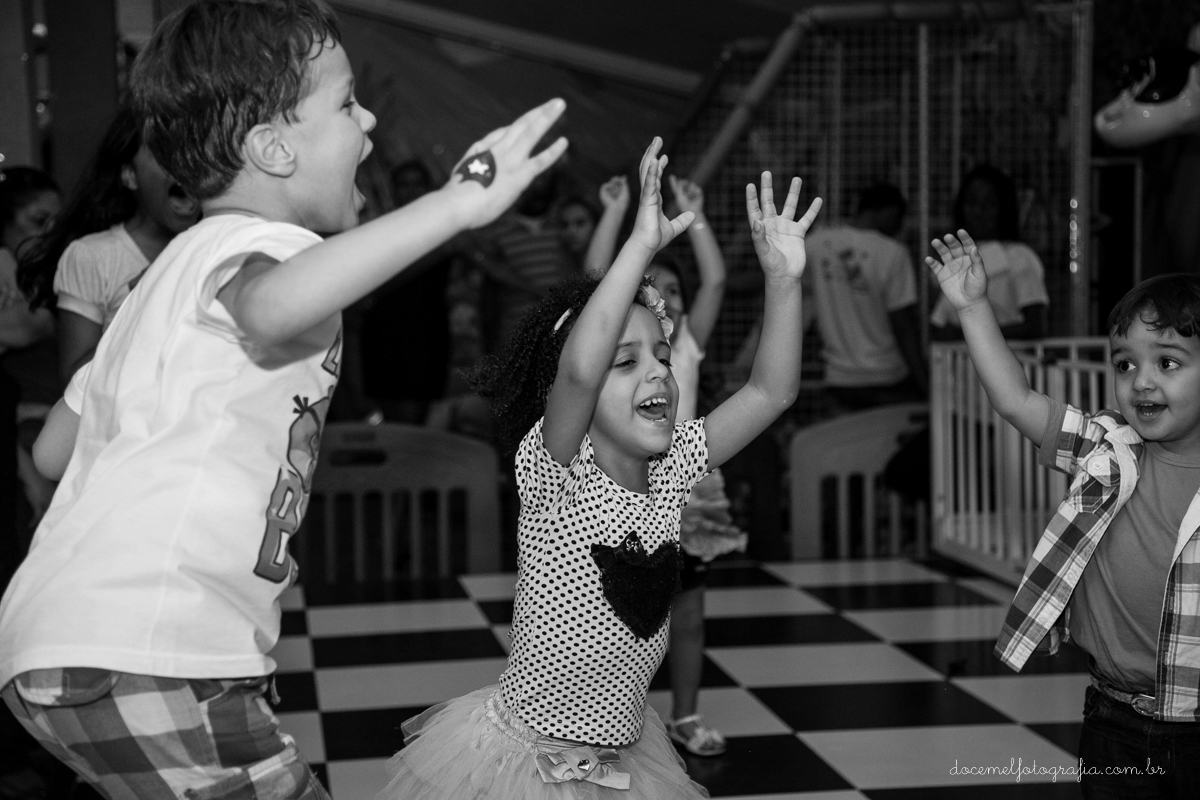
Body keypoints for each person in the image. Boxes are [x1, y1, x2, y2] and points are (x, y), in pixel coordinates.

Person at [0, 0, 568, 797]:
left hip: (58, 643)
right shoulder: (258, 245)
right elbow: (271, 307)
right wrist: (458, 204)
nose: (368, 119)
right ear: (272, 148)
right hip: (158, 649)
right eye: (345, 103)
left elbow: (53, 451)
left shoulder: (162, 282)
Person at [380, 138, 821, 799]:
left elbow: (770, 393)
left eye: (663, 358)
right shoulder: (556, 474)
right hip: (522, 761)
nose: (658, 374)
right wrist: (638, 246)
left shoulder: (674, 469)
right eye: (626, 361)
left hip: (621, 756)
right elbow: (580, 368)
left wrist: (784, 281)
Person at [929, 231, 1200, 799]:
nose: (1141, 381)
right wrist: (974, 307)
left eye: (1168, 362)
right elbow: (1015, 400)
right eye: (1125, 364)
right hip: (1114, 715)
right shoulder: (1108, 448)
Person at [588, 171, 744, 757]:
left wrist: (695, 215)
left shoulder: (688, 345)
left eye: (677, 291)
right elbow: (596, 283)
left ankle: (686, 713)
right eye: (658, 288)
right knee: (610, 610)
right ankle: (602, 713)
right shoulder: (622, 345)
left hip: (688, 488)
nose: (669, 299)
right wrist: (616, 214)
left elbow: (719, 278)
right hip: (625, 483)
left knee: (690, 609)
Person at [18, 104, 200, 384]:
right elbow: (74, 378)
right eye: (166, 154)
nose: (186, 166)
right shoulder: (93, 256)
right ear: (130, 175)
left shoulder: (215, 246)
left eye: (196, 154)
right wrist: (141, 307)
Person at [804, 183, 926, 410]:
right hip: (887, 377)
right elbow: (904, 326)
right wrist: (925, 384)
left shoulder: (817, 243)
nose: (901, 226)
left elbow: (776, 278)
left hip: (839, 379)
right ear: (887, 210)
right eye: (900, 216)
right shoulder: (894, 252)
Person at [359, 159, 455, 423]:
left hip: (425, 334)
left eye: (417, 184)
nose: (411, 190)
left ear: (429, 187)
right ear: (393, 190)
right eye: (404, 184)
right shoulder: (380, 228)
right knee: (389, 422)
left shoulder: (447, 229)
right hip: (384, 332)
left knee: (415, 424)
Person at [0, 167, 61, 539]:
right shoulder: (7, 269)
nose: (50, 232)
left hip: (54, 433)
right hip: (27, 445)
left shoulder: (38, 275)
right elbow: (25, 329)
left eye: (57, 221)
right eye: (39, 221)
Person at [930, 165, 1048, 340]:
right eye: (971, 203)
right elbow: (939, 325)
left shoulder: (1019, 256)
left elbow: (1034, 328)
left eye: (989, 204)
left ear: (1004, 208)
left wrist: (968, 336)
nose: (978, 211)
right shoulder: (958, 258)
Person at [556, 194, 599, 269]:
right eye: (564, 225)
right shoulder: (561, 267)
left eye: (580, 223)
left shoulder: (615, 264)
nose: (571, 231)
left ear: (596, 225)